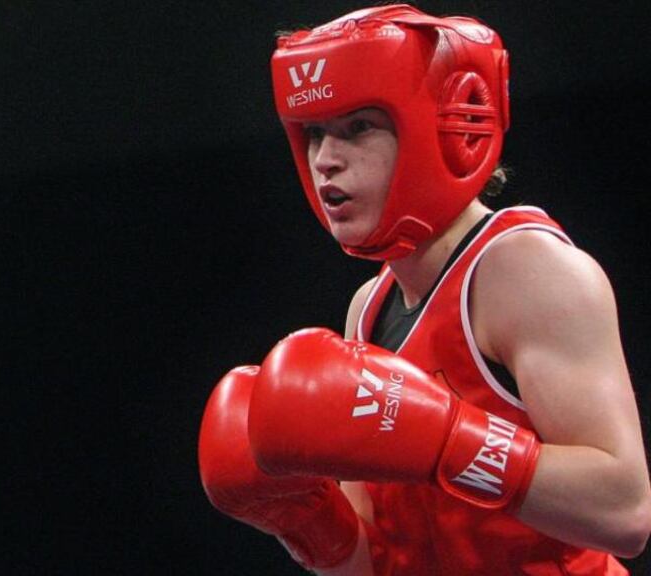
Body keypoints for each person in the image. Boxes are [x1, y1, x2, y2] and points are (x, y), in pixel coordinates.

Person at [198, 4, 651, 575]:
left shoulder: (525, 272)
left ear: (442, 127)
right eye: (315, 134)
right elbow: (377, 562)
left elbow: (625, 512)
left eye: (359, 127)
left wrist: (449, 441)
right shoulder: (367, 310)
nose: (326, 160)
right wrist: (306, 522)